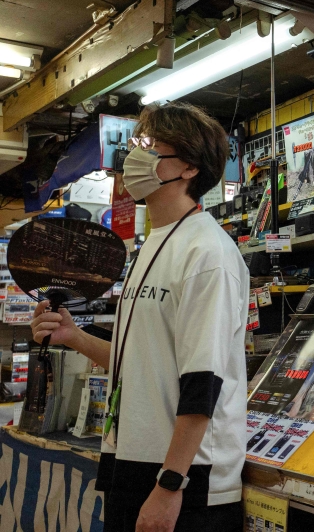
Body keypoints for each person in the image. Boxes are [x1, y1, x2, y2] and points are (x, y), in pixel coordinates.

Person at [31, 103, 249, 532]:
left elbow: (203, 383)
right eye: (135, 145)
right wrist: (74, 336)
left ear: (188, 167)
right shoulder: (154, 244)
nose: (133, 158)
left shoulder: (208, 253)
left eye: (150, 147)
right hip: (132, 460)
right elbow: (142, 364)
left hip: (187, 479)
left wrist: (170, 484)